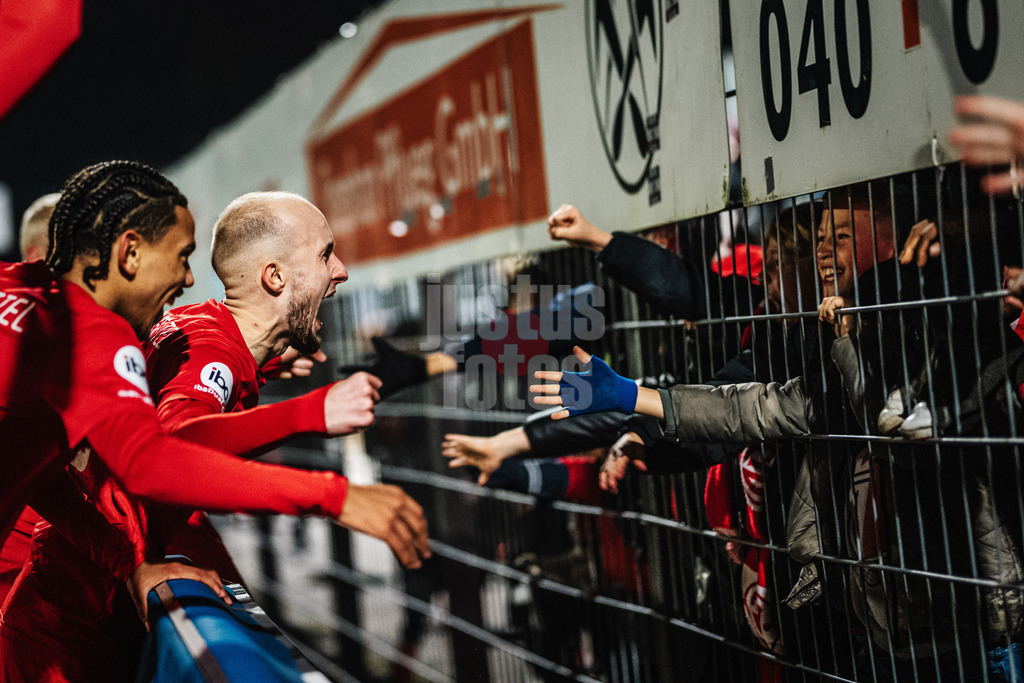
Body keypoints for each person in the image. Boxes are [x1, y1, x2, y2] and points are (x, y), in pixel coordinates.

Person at [0, 189, 423, 680]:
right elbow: (173, 440)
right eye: (326, 254)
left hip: (75, 604)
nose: (341, 270)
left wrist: (265, 366)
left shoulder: (200, 330)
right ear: (275, 276)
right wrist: (312, 419)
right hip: (71, 628)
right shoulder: (209, 349)